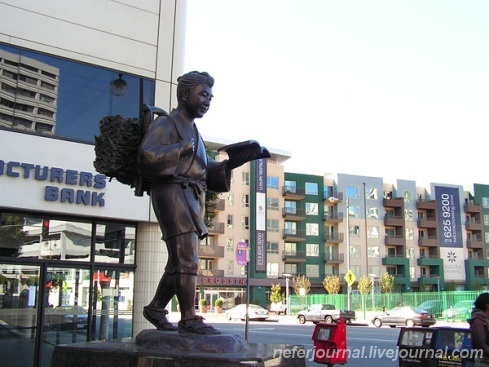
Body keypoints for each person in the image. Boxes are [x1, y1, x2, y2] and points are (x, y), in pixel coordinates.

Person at [137, 71, 262, 335]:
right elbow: (147, 157)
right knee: (187, 257)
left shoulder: (193, 130)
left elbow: (201, 171)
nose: (208, 101)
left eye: (211, 97)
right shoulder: (166, 124)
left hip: (190, 196)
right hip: (171, 193)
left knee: (179, 260)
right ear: (185, 94)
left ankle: (156, 308)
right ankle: (188, 318)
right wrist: (179, 149)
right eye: (203, 94)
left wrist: (229, 165)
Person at [468, 293, 489, 366]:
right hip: (483, 362)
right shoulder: (478, 320)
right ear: (487, 305)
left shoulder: (485, 319)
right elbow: (481, 343)